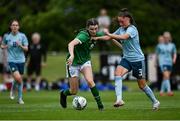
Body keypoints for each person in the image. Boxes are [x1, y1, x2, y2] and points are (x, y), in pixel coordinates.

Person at [92, 8, 160, 110]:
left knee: (142, 85)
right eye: (119, 21)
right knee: (117, 73)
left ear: (128, 19)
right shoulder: (121, 29)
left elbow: (124, 37)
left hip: (137, 60)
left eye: (122, 21)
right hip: (127, 59)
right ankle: (119, 100)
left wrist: (109, 34)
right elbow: (109, 37)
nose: (120, 23)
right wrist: (97, 38)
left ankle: (155, 101)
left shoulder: (132, 29)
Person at [60, 18, 104, 110]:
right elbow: (71, 44)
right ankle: (63, 94)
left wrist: (121, 45)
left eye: (96, 28)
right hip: (73, 63)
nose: (94, 31)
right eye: (92, 29)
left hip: (85, 61)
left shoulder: (98, 33)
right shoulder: (83, 36)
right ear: (87, 28)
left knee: (90, 81)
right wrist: (71, 55)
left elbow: (109, 36)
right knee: (74, 91)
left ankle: (100, 105)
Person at [1, 19, 28, 104]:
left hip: (21, 60)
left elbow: (26, 49)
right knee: (18, 78)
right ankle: (13, 88)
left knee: (19, 80)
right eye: (13, 25)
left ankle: (20, 99)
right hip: (11, 60)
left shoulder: (22, 36)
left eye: (16, 25)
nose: (15, 26)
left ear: (18, 27)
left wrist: (21, 45)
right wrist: (4, 47)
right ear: (10, 27)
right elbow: (2, 45)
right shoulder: (7, 36)